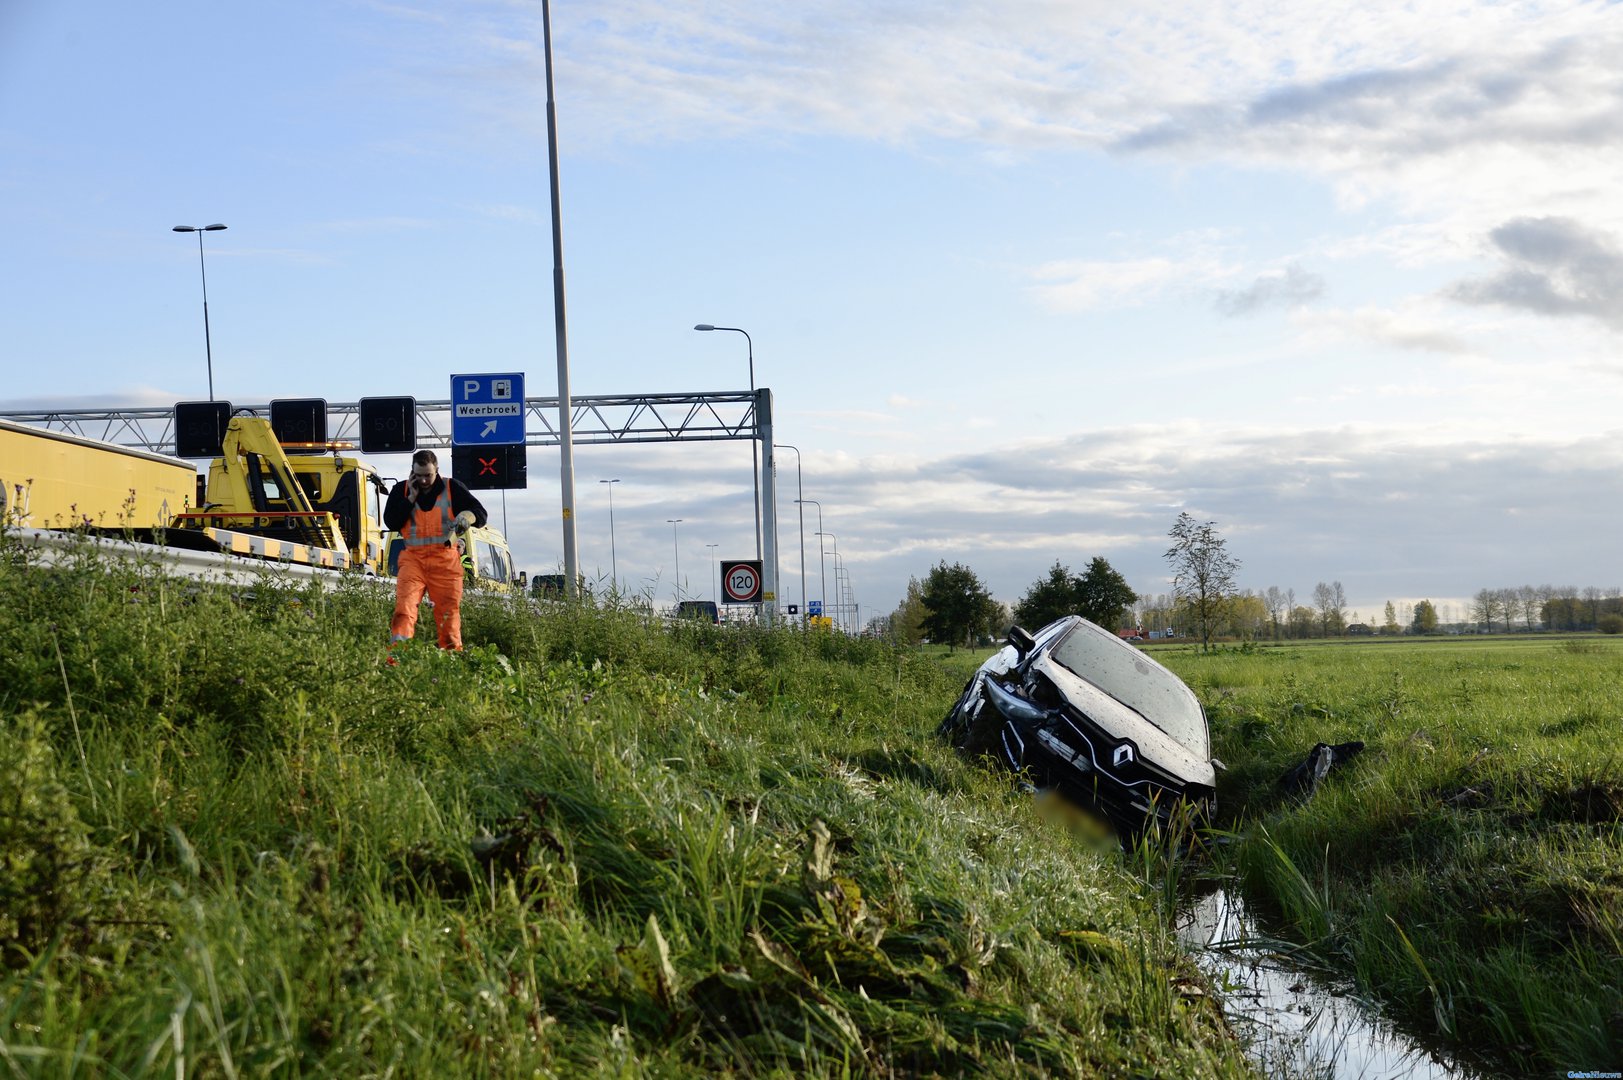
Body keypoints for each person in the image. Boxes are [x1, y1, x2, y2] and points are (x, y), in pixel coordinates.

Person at [383, 450, 488, 650]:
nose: (423, 480)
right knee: (403, 611)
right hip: (413, 561)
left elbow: (481, 513)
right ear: (412, 472)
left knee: (448, 617)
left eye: (428, 475)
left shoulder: (452, 488)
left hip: (445, 563)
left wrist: (467, 517)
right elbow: (391, 521)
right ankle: (396, 659)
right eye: (419, 475)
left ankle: (451, 663)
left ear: (437, 471)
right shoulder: (401, 491)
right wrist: (410, 499)